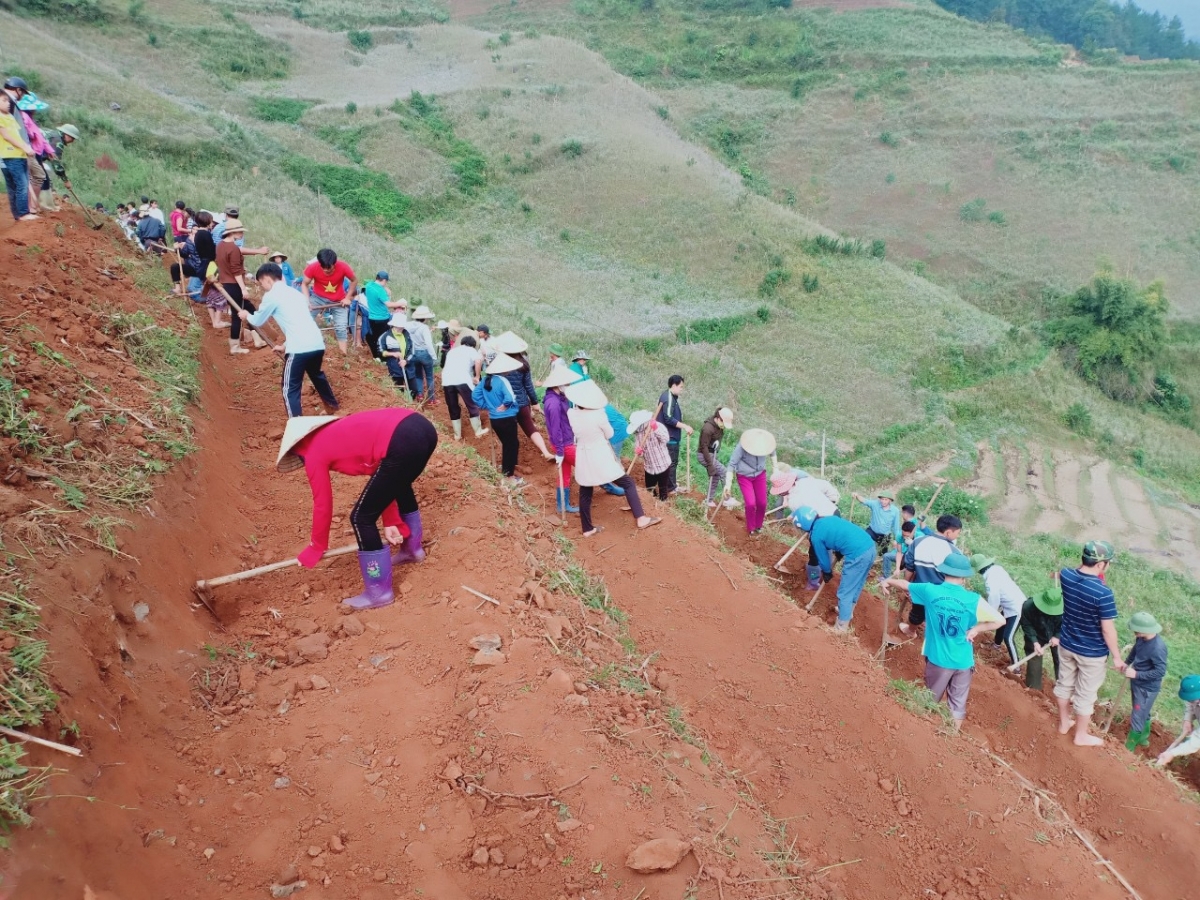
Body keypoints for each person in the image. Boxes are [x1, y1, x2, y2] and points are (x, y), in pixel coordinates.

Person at [277, 409, 437, 609]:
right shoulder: (337, 431)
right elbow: (384, 475)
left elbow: (323, 504)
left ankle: (379, 592)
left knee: (361, 518)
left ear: (296, 449)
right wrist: (390, 521)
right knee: (400, 484)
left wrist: (315, 547)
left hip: (401, 440)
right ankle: (412, 550)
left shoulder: (313, 453)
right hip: (423, 428)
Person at [882, 553, 1004, 729]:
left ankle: (923, 731)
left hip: (939, 659)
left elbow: (906, 585)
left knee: (930, 698)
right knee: (957, 706)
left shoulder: (931, 590)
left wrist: (888, 581)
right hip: (964, 661)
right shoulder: (974, 600)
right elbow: (1000, 620)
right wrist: (976, 629)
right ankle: (951, 736)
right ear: (964, 577)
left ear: (943, 572)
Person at [239, 263, 339, 418]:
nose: (263, 287)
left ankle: (296, 423)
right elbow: (300, 322)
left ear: (267, 280)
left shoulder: (272, 295)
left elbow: (258, 320)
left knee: (290, 388)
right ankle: (332, 407)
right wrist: (285, 345)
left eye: (261, 283)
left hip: (299, 348)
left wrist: (246, 316)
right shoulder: (296, 294)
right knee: (317, 375)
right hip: (317, 344)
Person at [565, 379, 661, 536]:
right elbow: (609, 433)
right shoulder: (598, 414)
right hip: (600, 455)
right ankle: (641, 518)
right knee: (628, 483)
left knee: (585, 490)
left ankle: (587, 529)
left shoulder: (571, 413)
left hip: (583, 455)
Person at [1055, 540, 1124, 747]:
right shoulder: (1103, 593)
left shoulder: (1066, 575)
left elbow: (1058, 573)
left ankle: (1064, 723)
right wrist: (1118, 657)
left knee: (1064, 685)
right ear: (1101, 564)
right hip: (1091, 652)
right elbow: (1107, 629)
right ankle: (1081, 735)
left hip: (1066, 643)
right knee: (1085, 694)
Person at [792, 505, 877, 631]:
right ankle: (848, 611)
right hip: (869, 547)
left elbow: (823, 558)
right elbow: (842, 532)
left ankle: (841, 627)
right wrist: (839, 551)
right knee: (857, 583)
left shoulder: (816, 535)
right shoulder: (828, 519)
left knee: (845, 592)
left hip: (857, 554)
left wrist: (827, 571)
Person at [773, 465, 841, 589]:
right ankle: (824, 566)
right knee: (827, 546)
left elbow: (805, 523)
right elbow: (824, 486)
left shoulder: (794, 501)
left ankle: (813, 582)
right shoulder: (805, 482)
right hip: (834, 513)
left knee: (815, 552)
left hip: (822, 522)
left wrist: (796, 517)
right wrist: (832, 499)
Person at [490, 331, 553, 461]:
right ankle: (545, 452)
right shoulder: (524, 364)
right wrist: (535, 402)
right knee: (530, 428)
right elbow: (528, 385)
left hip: (506, 405)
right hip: (522, 402)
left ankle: (511, 462)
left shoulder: (498, 364)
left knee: (509, 435)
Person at [899, 515, 963, 635]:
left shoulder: (918, 542)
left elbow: (910, 568)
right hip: (941, 593)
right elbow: (956, 578)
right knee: (936, 614)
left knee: (917, 612)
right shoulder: (954, 552)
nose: (957, 536)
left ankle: (911, 631)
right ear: (949, 532)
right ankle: (931, 634)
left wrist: (907, 586)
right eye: (957, 533)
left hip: (920, 589)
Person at [472, 353, 524, 487]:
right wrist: (505, 405)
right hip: (507, 417)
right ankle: (509, 477)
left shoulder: (485, 380)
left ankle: (507, 470)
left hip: (495, 419)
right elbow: (510, 398)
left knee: (508, 444)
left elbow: (475, 395)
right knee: (512, 445)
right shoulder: (502, 381)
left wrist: (487, 406)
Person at [216, 219, 268, 355]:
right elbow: (236, 271)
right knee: (238, 315)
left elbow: (237, 254)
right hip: (234, 286)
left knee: (249, 309)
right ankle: (235, 346)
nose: (242, 234)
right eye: (239, 232)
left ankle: (257, 340)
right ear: (232, 232)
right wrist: (243, 289)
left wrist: (258, 251)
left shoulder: (221, 245)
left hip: (226, 285)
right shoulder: (232, 248)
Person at [970, 554, 1026, 666]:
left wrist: (988, 618)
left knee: (1008, 637)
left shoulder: (990, 580)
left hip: (1017, 608)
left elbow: (993, 600)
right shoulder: (996, 569)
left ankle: (1016, 666)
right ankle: (996, 645)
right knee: (1001, 623)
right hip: (1009, 604)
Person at [1123, 611, 1167, 752]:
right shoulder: (1141, 638)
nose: (1134, 632)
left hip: (1147, 688)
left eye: (1136, 630)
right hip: (1137, 682)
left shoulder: (1158, 648)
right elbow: (1136, 650)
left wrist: (1136, 674)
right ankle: (1143, 739)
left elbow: (1160, 672)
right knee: (1143, 712)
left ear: (1145, 630)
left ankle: (1128, 749)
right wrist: (1127, 663)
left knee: (1138, 715)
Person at [302, 248, 357, 356]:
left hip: (338, 300)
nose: (327, 271)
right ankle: (302, 348)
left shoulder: (343, 267)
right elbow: (304, 284)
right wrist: (306, 301)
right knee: (304, 319)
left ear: (334, 263)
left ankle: (343, 355)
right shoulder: (313, 267)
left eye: (330, 269)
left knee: (341, 327)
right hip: (318, 298)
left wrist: (347, 297)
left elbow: (354, 280)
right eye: (324, 268)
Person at [543, 366, 582, 513]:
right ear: (558, 384)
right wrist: (559, 451)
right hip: (564, 444)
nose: (569, 386)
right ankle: (609, 486)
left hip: (564, 442)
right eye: (567, 383)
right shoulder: (553, 404)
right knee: (586, 465)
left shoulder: (559, 398)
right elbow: (555, 429)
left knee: (565, 474)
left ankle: (562, 506)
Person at [723, 429, 775, 536]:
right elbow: (731, 464)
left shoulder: (766, 445)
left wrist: (776, 468)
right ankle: (751, 528)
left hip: (760, 474)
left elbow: (773, 451)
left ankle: (758, 526)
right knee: (751, 503)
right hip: (744, 476)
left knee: (762, 503)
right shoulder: (741, 447)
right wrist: (728, 484)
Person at [442, 334, 488, 440]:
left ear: (462, 343)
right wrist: (477, 377)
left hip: (447, 380)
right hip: (462, 379)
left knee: (453, 407)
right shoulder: (471, 350)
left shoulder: (452, 351)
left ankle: (457, 435)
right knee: (472, 404)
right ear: (472, 345)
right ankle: (478, 431)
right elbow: (478, 361)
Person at [0, 91, 36, 223]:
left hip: (19, 155)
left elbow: (16, 134)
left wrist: (24, 149)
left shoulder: (9, 116)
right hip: (11, 156)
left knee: (18, 186)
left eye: (8, 101)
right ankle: (23, 213)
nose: (8, 103)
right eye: (4, 100)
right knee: (21, 185)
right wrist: (25, 147)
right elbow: (7, 136)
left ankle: (18, 215)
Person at [1020, 582, 1063, 692]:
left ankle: (1064, 689)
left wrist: (1057, 636)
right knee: (1034, 659)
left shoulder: (1067, 609)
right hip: (1036, 633)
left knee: (1061, 659)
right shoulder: (1028, 606)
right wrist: (1034, 642)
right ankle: (1034, 691)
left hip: (1057, 633)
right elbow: (1026, 624)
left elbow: (1067, 624)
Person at [656, 375, 693, 496]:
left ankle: (671, 485)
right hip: (669, 436)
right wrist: (684, 426)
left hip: (671, 435)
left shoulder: (671, 397)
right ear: (674, 385)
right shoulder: (669, 397)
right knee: (670, 462)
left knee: (672, 462)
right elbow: (668, 418)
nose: (682, 389)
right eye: (681, 387)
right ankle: (670, 488)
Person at [1155, 676, 1200, 767]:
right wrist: (1188, 719)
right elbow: (1190, 703)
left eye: (1193, 699)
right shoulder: (1194, 697)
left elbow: (1197, 740)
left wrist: (1172, 753)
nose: (1190, 701)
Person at [629, 409, 671, 501]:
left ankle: (663, 504)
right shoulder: (638, 434)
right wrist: (639, 452)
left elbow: (665, 439)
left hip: (662, 464)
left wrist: (656, 429)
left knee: (663, 487)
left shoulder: (658, 426)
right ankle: (652, 503)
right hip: (649, 467)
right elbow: (639, 449)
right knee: (649, 488)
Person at [698, 408, 735, 509]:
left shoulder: (719, 426)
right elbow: (703, 447)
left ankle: (708, 500)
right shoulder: (707, 428)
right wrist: (710, 464)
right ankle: (727, 499)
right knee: (724, 472)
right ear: (718, 419)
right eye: (723, 423)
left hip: (712, 455)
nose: (724, 426)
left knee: (715, 476)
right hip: (704, 455)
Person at [405, 306, 439, 404]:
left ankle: (419, 395)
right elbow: (428, 343)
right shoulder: (424, 328)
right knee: (429, 377)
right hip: (424, 353)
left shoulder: (408, 325)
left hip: (413, 353)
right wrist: (434, 357)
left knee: (418, 375)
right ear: (425, 318)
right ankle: (431, 399)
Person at [363, 271, 393, 360]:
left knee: (375, 337)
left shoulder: (369, 285)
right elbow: (389, 304)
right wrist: (401, 303)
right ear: (384, 280)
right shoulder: (380, 291)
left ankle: (376, 356)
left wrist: (385, 288)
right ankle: (383, 358)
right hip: (382, 318)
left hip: (372, 317)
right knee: (383, 339)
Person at [379, 318, 414, 391]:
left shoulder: (407, 334)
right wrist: (392, 354)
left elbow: (412, 350)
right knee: (399, 388)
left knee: (414, 389)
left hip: (408, 366)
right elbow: (380, 351)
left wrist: (406, 361)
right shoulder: (385, 336)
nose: (401, 328)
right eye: (399, 326)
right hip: (394, 366)